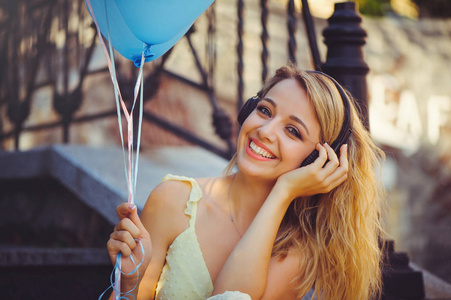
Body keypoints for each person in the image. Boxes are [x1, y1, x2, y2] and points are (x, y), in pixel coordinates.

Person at [107, 64, 386, 300]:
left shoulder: (298, 251)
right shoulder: (173, 199)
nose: (264, 131)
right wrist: (130, 282)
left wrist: (283, 192)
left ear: (317, 160)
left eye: (292, 131)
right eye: (265, 110)